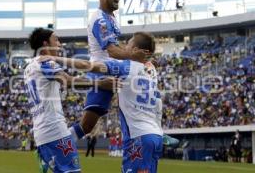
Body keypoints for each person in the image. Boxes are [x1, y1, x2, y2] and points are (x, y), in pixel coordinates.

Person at [40, 32, 164, 173]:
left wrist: (55, 58)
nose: (124, 47)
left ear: (136, 50)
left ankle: (52, 150)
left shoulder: (124, 66)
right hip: (156, 136)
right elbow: (148, 65)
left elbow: (86, 65)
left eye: (128, 44)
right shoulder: (152, 70)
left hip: (139, 138)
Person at [69, 0, 148, 142]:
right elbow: (112, 51)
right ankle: (54, 145)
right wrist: (134, 56)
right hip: (102, 71)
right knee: (86, 125)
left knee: (145, 85)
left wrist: (135, 57)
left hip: (115, 68)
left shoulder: (111, 17)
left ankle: (155, 131)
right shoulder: (100, 20)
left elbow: (116, 47)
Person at [24, 28, 112, 173]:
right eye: (56, 40)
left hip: (43, 134)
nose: (60, 44)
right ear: (45, 44)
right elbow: (67, 80)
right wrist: (99, 84)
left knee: (84, 128)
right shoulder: (45, 62)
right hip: (54, 133)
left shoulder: (28, 68)